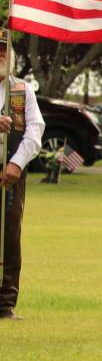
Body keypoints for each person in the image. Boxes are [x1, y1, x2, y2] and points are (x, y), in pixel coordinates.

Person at [0, 28, 44, 320]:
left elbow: (35, 130)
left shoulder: (22, 90)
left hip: (12, 175)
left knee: (10, 236)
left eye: (4, 49)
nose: (0, 55)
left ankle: (5, 303)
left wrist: (16, 163)